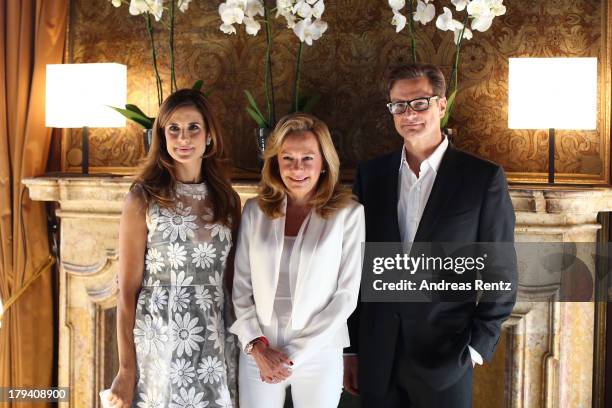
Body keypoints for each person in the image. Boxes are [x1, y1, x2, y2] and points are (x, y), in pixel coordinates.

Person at [343, 63, 517, 407]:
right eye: (399, 105)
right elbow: (357, 267)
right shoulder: (371, 175)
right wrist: (352, 348)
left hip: (447, 357)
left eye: (420, 103)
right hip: (377, 357)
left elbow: (500, 271)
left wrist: (476, 347)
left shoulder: (482, 178)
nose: (409, 114)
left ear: (441, 105)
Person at [108, 89, 241, 408]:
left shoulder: (227, 200)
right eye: (174, 129)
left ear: (209, 135)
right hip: (160, 334)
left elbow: (232, 282)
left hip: (215, 336)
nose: (184, 137)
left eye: (193, 127)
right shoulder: (144, 197)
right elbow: (127, 290)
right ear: (162, 136)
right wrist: (126, 370)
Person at [230, 113, 365, 408]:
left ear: (324, 162)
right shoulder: (255, 211)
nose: (297, 168)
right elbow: (240, 286)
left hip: (319, 351)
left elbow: (346, 297)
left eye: (307, 158)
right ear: (275, 162)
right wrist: (257, 348)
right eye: (287, 158)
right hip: (259, 351)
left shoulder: (349, 215)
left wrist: (293, 354)